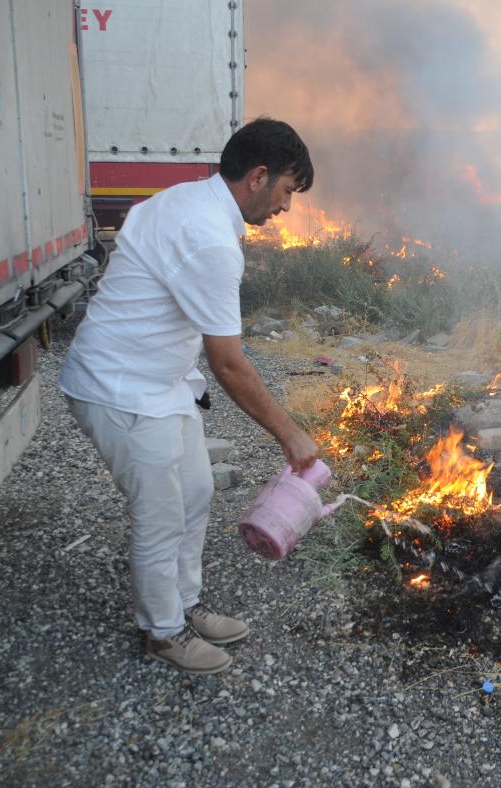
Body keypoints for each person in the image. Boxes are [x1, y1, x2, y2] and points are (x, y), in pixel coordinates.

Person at [60, 117, 319, 674]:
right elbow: (228, 363)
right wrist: (290, 433)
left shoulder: (190, 200)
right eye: (287, 191)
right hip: (120, 386)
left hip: (163, 382)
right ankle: (163, 631)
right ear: (258, 177)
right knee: (160, 514)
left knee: (196, 490)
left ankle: (185, 604)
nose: (286, 207)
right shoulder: (209, 238)